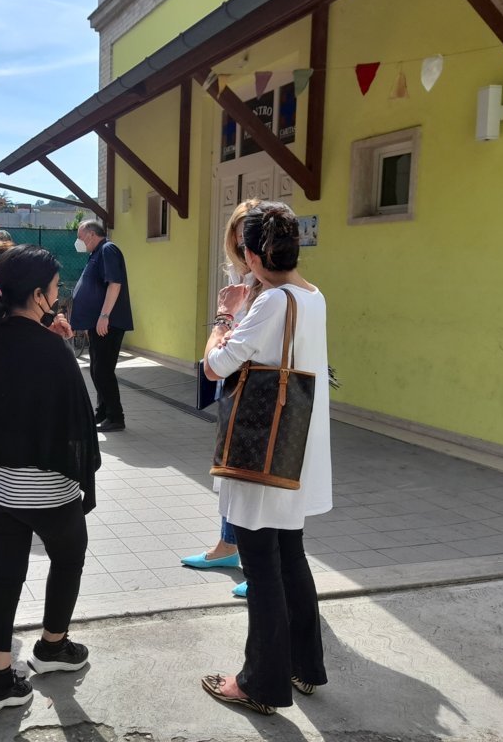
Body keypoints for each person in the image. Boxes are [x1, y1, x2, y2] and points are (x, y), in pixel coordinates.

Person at [199, 201, 332, 715]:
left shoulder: (273, 301)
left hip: (262, 453)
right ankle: (305, 666)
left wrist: (224, 314)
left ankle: (260, 683)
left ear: (253, 256)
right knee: (291, 558)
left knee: (261, 568)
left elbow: (216, 365)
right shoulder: (313, 296)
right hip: (295, 451)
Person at [0, 245, 101, 717]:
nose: (58, 298)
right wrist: (60, 345)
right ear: (39, 295)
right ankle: (52, 647)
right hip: (47, 491)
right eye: (56, 290)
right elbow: (77, 419)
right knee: (68, 557)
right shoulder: (52, 347)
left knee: (6, 573)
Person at [181, 198, 261, 598]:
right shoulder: (238, 274)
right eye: (239, 234)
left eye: (252, 234)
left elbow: (230, 348)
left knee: (250, 480)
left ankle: (259, 566)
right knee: (230, 474)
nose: (245, 244)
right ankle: (228, 545)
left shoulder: (274, 288)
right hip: (235, 385)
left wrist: (224, 323)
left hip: (259, 392)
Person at [70, 219, 133, 432]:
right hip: (98, 324)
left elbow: (115, 284)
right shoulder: (97, 253)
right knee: (97, 370)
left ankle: (116, 417)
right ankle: (103, 412)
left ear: (91, 234)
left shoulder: (108, 249)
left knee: (103, 371)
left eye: (80, 237)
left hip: (109, 323)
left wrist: (104, 316)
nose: (78, 241)